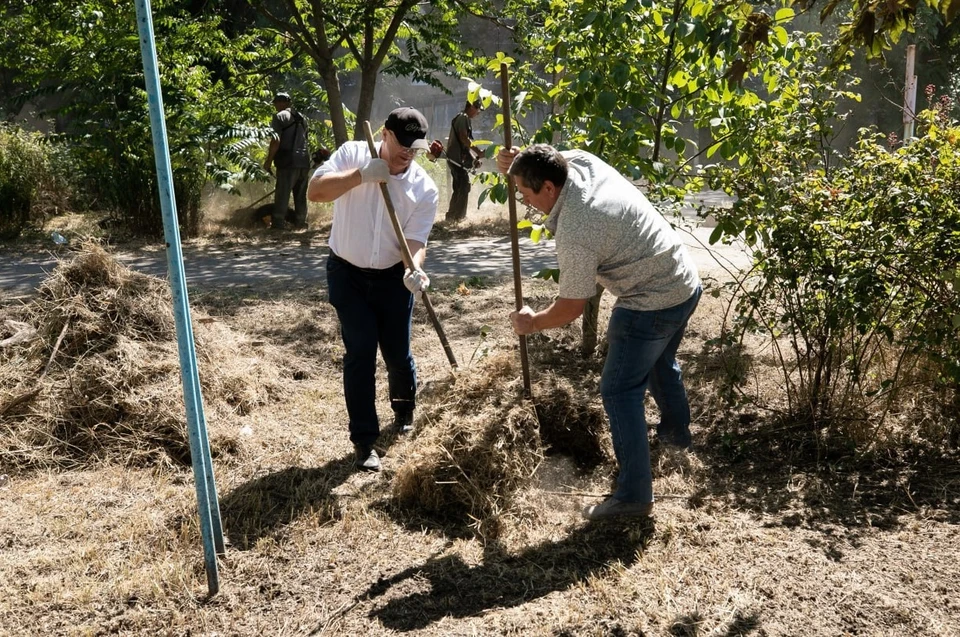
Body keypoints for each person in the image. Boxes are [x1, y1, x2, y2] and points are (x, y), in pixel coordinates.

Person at [497, 144, 702, 520]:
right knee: (658, 363)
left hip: (650, 299)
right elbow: (553, 156)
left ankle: (633, 498)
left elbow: (572, 307)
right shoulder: (579, 163)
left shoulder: (576, 229)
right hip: (683, 281)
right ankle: (676, 438)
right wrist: (519, 159)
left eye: (526, 194)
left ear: (547, 188)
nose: (524, 202)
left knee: (619, 390)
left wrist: (533, 322)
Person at [307, 107, 438, 472]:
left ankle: (404, 410)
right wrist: (361, 177)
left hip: (393, 278)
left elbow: (416, 239)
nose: (407, 154)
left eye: (415, 149)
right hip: (346, 272)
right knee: (361, 349)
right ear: (384, 134)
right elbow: (315, 192)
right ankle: (365, 441)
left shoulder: (423, 187)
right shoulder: (352, 154)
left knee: (397, 352)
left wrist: (414, 270)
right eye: (402, 145)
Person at [263, 92, 311, 230]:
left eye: (277, 103)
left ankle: (278, 224)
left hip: (288, 161)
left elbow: (275, 141)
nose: (276, 106)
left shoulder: (279, 117)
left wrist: (268, 161)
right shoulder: (303, 118)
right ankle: (301, 223)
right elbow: (304, 140)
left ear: (282, 103)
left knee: (282, 193)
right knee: (300, 195)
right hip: (304, 162)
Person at [444, 99, 483, 222]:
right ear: (472, 106)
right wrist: (479, 152)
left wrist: (473, 160)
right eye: (478, 110)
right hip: (456, 159)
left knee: (459, 187)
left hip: (455, 159)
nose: (478, 113)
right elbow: (464, 138)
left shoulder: (463, 118)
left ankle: (452, 216)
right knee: (464, 186)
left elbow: (464, 145)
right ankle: (459, 217)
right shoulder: (463, 117)